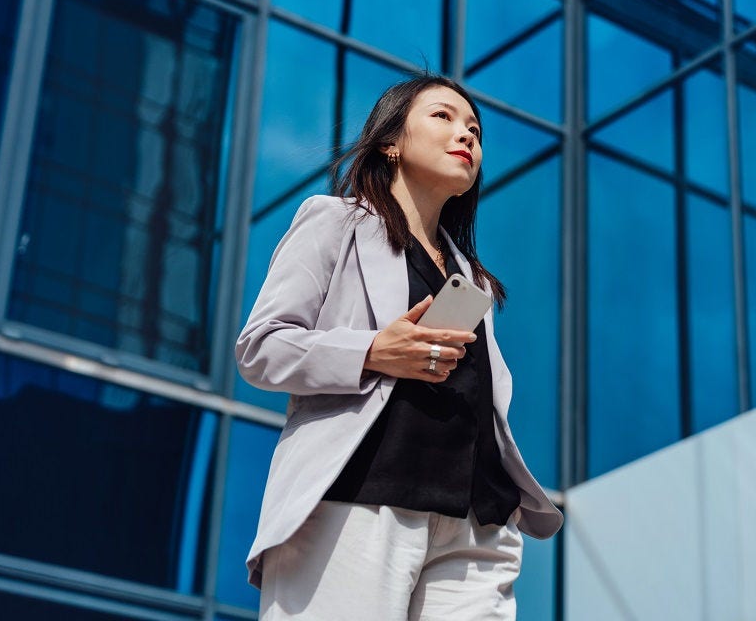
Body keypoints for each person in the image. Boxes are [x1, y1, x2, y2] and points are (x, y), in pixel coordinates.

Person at [236, 73, 562, 620]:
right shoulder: (333, 223)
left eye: (475, 130)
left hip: (473, 524)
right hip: (361, 498)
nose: (467, 136)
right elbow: (261, 348)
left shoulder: (472, 281)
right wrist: (370, 351)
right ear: (390, 141)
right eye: (443, 117)